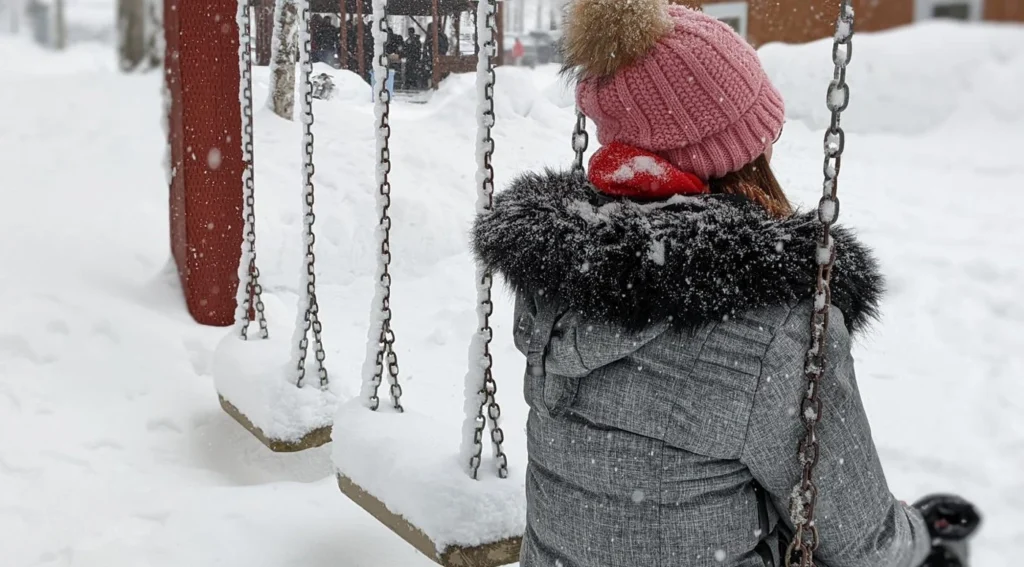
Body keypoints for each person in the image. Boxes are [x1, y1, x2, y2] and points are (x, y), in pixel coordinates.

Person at [470, 1, 982, 566]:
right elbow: (864, 540)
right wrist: (925, 536)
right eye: (765, 132)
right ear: (733, 153)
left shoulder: (559, 280)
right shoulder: (776, 327)